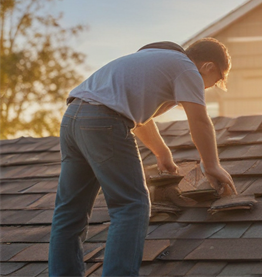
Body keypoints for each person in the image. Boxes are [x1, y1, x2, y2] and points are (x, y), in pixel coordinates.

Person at [48, 37, 237, 277]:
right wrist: (211, 165)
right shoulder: (186, 68)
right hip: (103, 123)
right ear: (208, 66)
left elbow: (137, 120)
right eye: (217, 80)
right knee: (132, 205)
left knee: (69, 211)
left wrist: (162, 152)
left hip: (73, 118)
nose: (209, 87)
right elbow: (198, 119)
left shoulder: (153, 61)